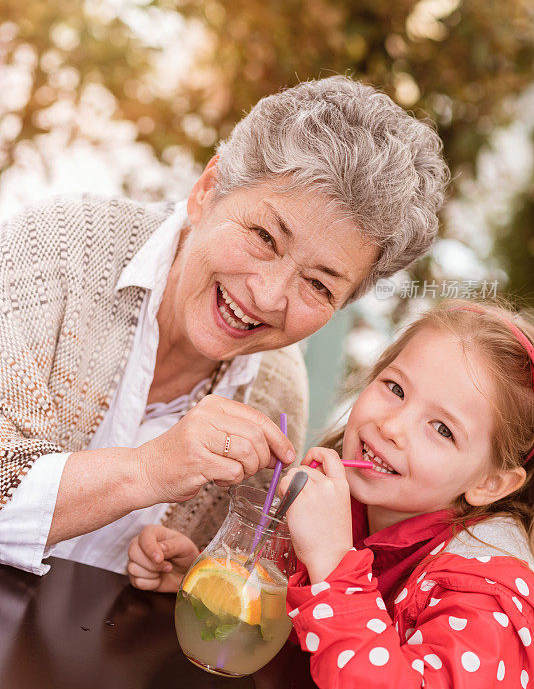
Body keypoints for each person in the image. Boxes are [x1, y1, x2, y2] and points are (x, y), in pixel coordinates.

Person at [0, 76, 448, 579]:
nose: (268, 295)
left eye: (319, 286)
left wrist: (186, 573)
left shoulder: (278, 397)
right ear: (207, 190)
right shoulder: (57, 251)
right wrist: (149, 470)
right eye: (264, 236)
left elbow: (220, 580)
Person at [130, 300, 534, 686]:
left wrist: (334, 565)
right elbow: (305, 633)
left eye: (442, 429)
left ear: (489, 484)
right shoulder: (349, 504)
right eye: (395, 388)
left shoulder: (487, 595)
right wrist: (225, 589)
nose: (392, 426)